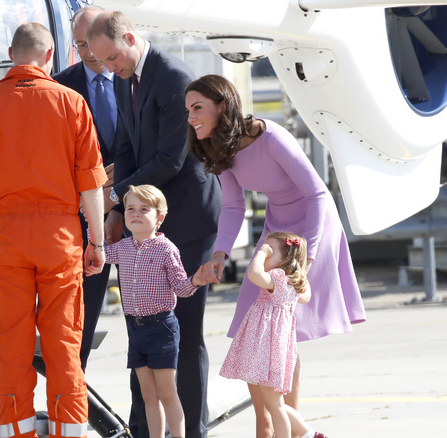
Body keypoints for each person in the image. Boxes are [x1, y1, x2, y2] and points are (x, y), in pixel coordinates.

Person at [187, 74, 366, 438]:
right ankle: (272, 425)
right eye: (188, 109)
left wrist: (309, 257)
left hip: (311, 226)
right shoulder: (221, 147)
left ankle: (283, 424)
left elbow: (317, 195)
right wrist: (220, 251)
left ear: (222, 107)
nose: (190, 117)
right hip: (278, 226)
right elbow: (235, 205)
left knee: (281, 327)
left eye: (197, 108)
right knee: (253, 323)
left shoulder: (271, 137)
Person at [0, 22, 107, 438]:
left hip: (7, 237)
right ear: (51, 54)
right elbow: (90, 182)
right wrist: (97, 240)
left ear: (11, 53)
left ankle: (17, 433)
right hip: (61, 237)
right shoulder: (72, 103)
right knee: (63, 346)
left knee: (11, 346)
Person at [87, 11, 222, 438]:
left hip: (185, 217)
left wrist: (111, 196)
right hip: (144, 217)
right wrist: (115, 211)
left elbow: (169, 159)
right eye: (103, 62)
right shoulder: (128, 76)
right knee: (144, 330)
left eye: (111, 58)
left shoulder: (172, 77)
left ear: (128, 37)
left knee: (184, 332)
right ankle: (146, 430)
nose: (108, 68)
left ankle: (192, 431)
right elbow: (125, 146)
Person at [104, 184, 212, 438]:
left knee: (167, 393)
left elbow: (182, 289)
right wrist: (92, 227)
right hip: (136, 328)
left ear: (159, 218)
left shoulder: (166, 249)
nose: (135, 214)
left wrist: (196, 280)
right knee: (148, 394)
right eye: (130, 209)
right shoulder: (122, 248)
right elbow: (97, 255)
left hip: (161, 328)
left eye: (144, 209)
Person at [53, 5, 117, 371]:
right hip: (84, 216)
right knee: (81, 314)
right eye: (80, 45)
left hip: (138, 209)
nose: (90, 54)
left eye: (94, 43)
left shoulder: (133, 79)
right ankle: (74, 392)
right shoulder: (60, 86)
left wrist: (119, 181)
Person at [218, 232, 327, 438]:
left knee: (274, 404)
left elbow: (254, 274)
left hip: (266, 348)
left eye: (271, 251)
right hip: (275, 348)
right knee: (274, 402)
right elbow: (306, 297)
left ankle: (300, 435)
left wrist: (260, 253)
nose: (266, 254)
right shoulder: (294, 283)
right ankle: (309, 434)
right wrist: (299, 269)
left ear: (285, 259)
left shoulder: (277, 277)